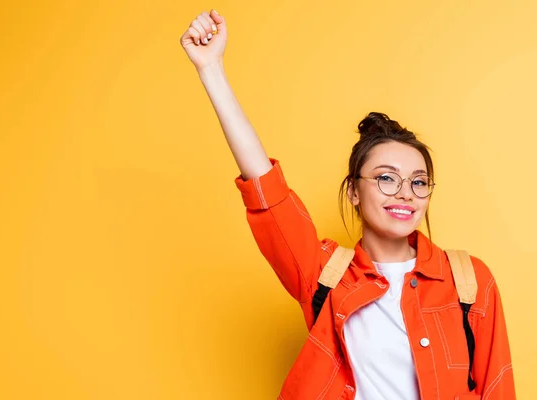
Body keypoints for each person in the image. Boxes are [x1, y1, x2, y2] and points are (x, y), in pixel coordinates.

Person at [179, 10, 515, 399]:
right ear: (354, 191)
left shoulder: (469, 280)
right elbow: (267, 193)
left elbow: (498, 388)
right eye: (386, 178)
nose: (405, 193)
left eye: (418, 182)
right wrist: (211, 69)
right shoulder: (325, 274)